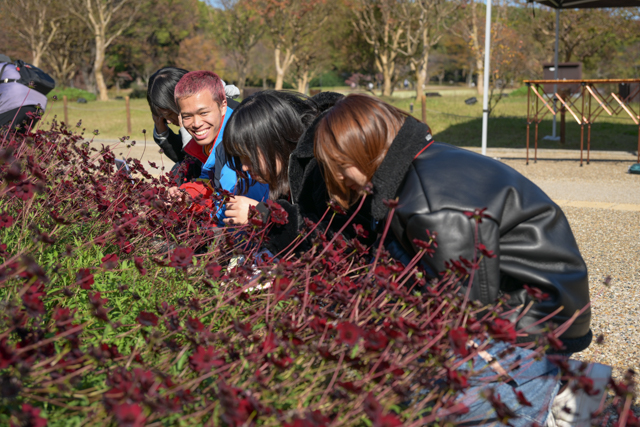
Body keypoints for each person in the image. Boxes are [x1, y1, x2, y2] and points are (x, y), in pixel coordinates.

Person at [313, 94, 592, 355]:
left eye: (341, 163)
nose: (337, 177)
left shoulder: (430, 205)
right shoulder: (421, 163)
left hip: (542, 314)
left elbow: (463, 309)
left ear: (367, 145)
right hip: (536, 295)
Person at [222, 90, 374, 253]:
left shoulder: (323, 169)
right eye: (240, 157)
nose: (244, 166)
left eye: (249, 156)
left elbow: (341, 245)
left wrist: (266, 216)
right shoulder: (287, 171)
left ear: (276, 141)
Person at [169, 71, 269, 216]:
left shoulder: (239, 144)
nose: (196, 123)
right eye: (187, 116)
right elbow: (207, 179)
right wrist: (187, 195)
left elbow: (236, 208)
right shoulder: (210, 142)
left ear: (223, 106)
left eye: (203, 113)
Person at [147, 67, 241, 185]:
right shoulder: (200, 121)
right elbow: (195, 162)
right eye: (163, 117)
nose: (168, 121)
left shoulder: (235, 123)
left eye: (169, 114)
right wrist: (161, 129)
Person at [0, 54, 48, 131]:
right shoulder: (18, 69)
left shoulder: (2, 67)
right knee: (20, 139)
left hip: (15, 105)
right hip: (38, 107)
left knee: (4, 137)